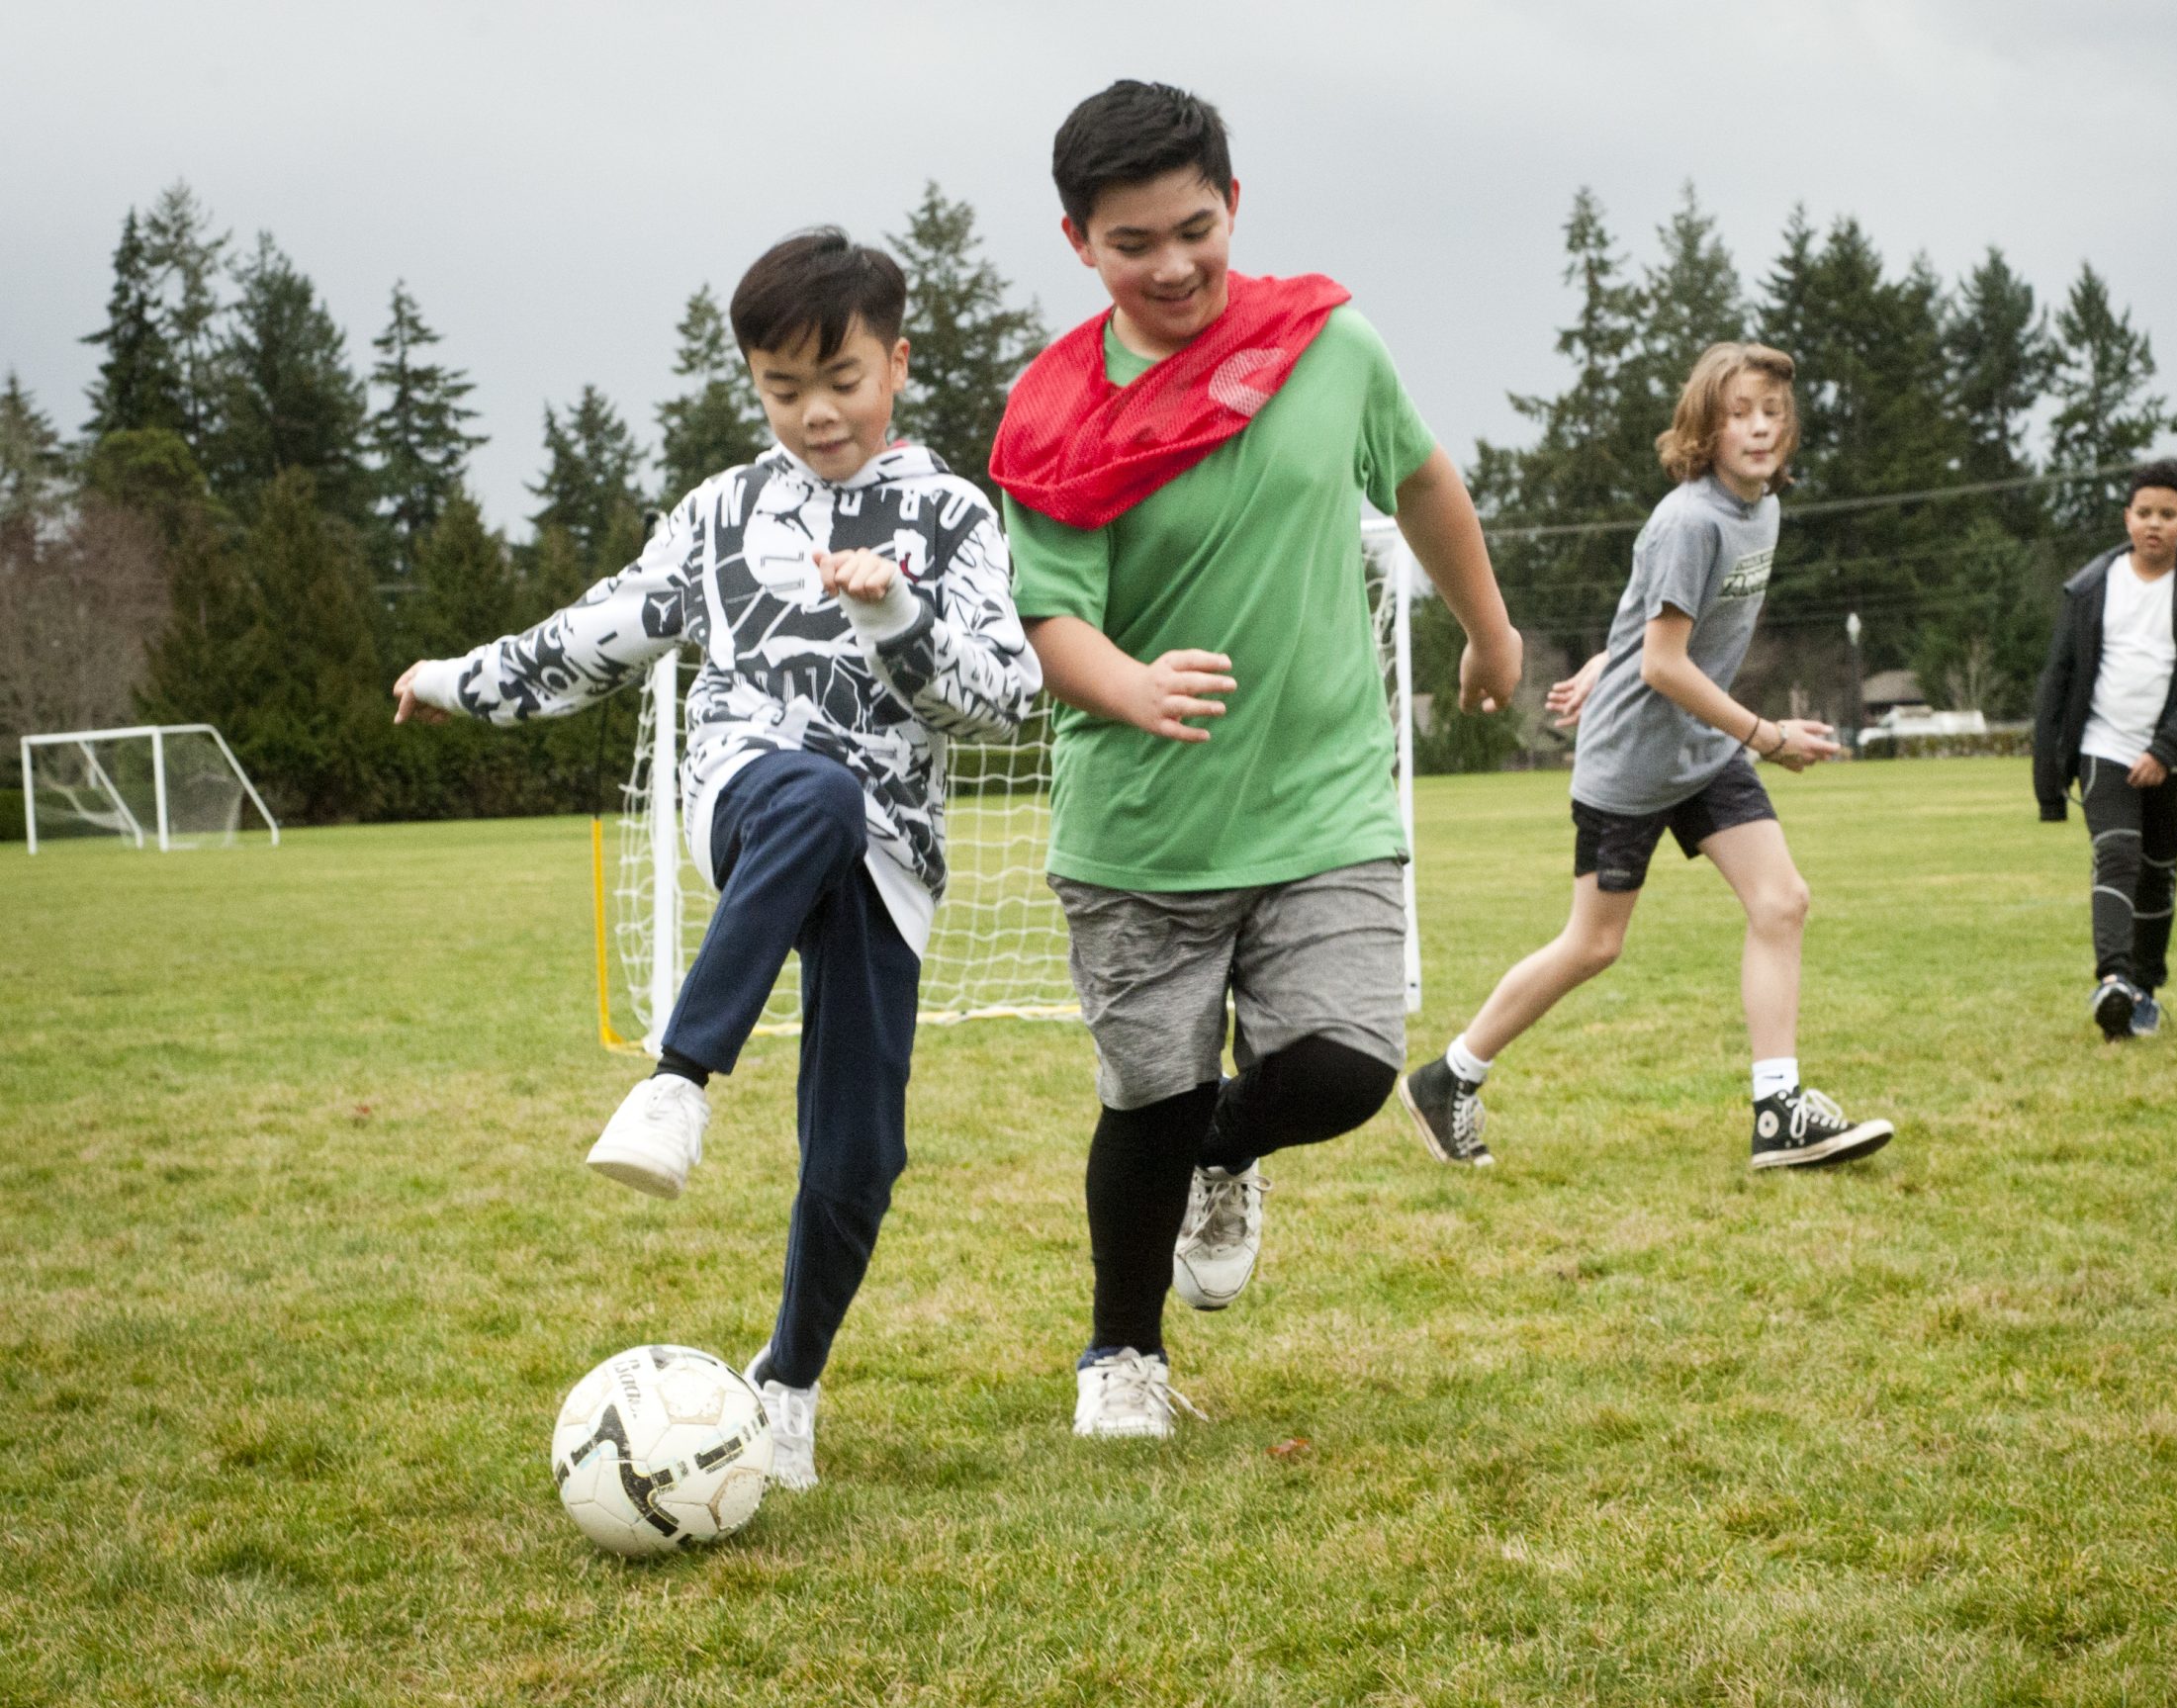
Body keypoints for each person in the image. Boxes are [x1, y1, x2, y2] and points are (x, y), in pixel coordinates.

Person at [391, 230, 1041, 1487]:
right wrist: (455, 680)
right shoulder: (722, 513)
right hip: (751, 795)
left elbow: (1005, 698)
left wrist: (895, 612)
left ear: (896, 363)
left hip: (891, 851)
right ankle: (678, 1083)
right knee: (811, 792)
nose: (813, 412)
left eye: (840, 378)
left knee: (860, 1157)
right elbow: (597, 633)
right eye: (780, 386)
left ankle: (786, 1383)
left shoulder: (953, 517)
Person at [992, 80, 1523, 1439]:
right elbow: (1048, 615)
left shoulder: (1326, 346)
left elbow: (1421, 482)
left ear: (1234, 205)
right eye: (1132, 242)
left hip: (1322, 793)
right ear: (1078, 243)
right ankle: (1122, 1353)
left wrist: (1489, 630)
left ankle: (1226, 1153)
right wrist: (1130, 681)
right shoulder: (1055, 414)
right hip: (1142, 820)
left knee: (1344, 1067)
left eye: (1194, 228)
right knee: (1146, 1096)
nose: (1171, 265)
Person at [1399, 341, 1893, 1173]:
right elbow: (1664, 662)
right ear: (1706, 424)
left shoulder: (1762, 507)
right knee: (1593, 945)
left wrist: (1608, 660)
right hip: (1631, 765)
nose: (1762, 428)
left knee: (1782, 901)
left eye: (1774, 412)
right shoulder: (1690, 519)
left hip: (1702, 750)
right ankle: (1447, 1078)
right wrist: (1767, 736)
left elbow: (1655, 628)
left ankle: (1778, 1109)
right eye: (1741, 414)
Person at [2031, 459, 2177, 1039]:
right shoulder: (2089, 587)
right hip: (2103, 745)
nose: (2154, 524)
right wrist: (2049, 779)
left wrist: (2167, 747)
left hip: (2174, 755)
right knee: (2117, 855)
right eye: (2144, 512)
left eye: (2167, 515)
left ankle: (2144, 991)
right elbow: (2058, 678)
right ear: (2127, 517)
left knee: (2157, 870)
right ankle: (2113, 982)